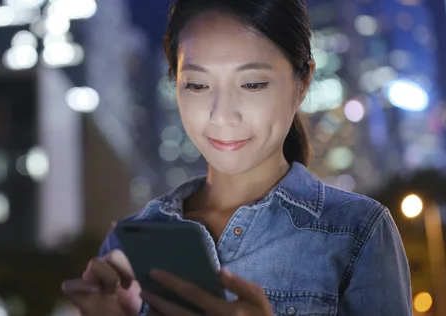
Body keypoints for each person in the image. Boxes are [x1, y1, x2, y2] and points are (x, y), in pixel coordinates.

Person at [62, 0, 413, 315]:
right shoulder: (129, 244)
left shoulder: (357, 230)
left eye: (253, 84)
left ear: (302, 82)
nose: (222, 115)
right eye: (198, 85)